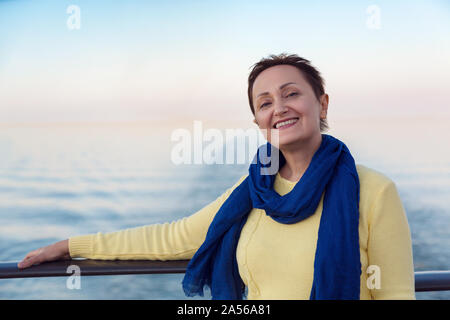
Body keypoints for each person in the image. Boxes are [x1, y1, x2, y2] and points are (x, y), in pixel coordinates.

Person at [18, 53, 415, 300]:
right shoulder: (252, 193)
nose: (279, 108)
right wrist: (72, 246)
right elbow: (172, 238)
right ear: (258, 119)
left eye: (291, 93)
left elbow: (395, 294)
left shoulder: (374, 191)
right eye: (265, 102)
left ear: (321, 102)